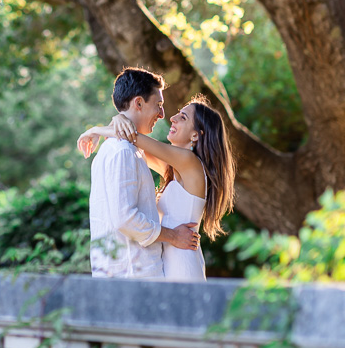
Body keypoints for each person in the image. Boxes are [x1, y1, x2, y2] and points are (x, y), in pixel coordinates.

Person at [79, 93, 235, 281]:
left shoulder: (191, 163)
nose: (172, 118)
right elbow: (130, 140)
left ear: (195, 135)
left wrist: (95, 130)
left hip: (182, 263)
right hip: (166, 261)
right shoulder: (175, 171)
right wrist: (119, 118)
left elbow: (132, 136)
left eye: (183, 117)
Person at [81, 68, 200, 279]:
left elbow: (136, 139)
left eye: (182, 117)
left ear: (196, 135)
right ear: (138, 103)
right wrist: (172, 236)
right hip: (133, 273)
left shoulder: (132, 150)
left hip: (143, 270)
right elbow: (125, 218)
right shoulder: (123, 152)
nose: (165, 116)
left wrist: (100, 129)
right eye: (159, 105)